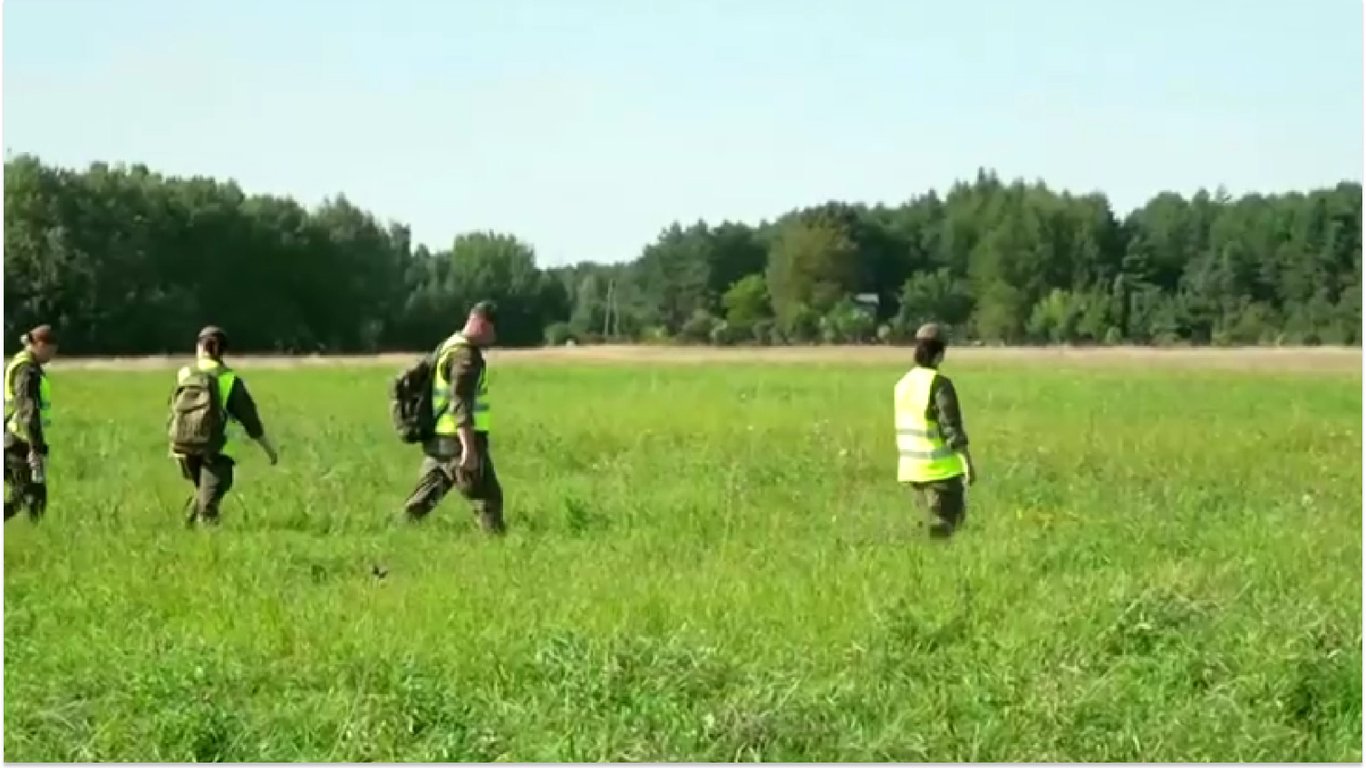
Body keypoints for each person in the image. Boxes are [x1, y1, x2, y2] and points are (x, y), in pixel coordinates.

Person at [402, 300, 505, 534]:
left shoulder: (449, 344)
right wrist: (469, 448)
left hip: (439, 439)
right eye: (492, 329)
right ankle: (497, 553)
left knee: (421, 501)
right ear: (480, 324)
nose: (494, 337)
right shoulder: (466, 357)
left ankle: (395, 533)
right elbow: (460, 402)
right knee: (488, 500)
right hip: (458, 441)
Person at [168, 326, 278, 526]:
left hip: (184, 445)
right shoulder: (229, 379)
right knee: (210, 502)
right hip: (217, 448)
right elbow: (250, 420)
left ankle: (187, 528)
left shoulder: (184, 373)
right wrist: (269, 450)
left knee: (203, 492)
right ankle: (207, 539)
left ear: (200, 347)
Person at [893, 322, 977, 538]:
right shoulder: (939, 385)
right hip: (941, 474)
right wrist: (967, 462)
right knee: (947, 532)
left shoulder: (902, 384)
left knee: (926, 533)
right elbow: (951, 428)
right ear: (940, 354)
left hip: (912, 471)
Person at [4, 325, 58, 521]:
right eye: (51, 351)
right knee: (26, 494)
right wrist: (35, 449)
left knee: (35, 495)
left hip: (17, 438)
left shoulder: (25, 364)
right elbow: (29, 411)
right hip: (16, 441)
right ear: (40, 345)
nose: (52, 356)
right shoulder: (26, 370)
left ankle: (37, 535)